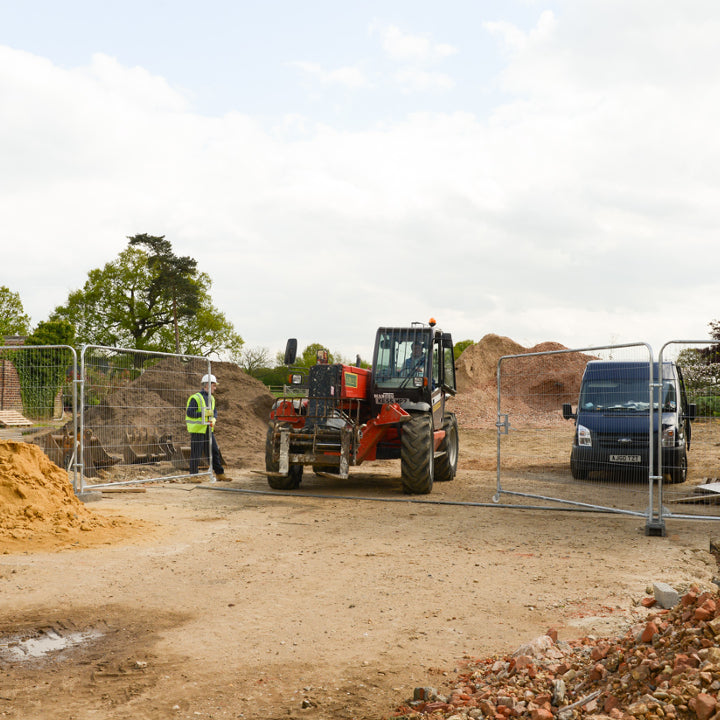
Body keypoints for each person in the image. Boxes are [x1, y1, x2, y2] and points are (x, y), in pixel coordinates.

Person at [185, 373, 228, 480]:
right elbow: (190, 413)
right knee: (196, 453)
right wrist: (204, 414)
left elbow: (214, 412)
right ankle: (193, 476)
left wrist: (214, 418)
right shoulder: (196, 398)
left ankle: (219, 474)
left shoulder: (212, 398)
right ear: (207, 385)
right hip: (198, 430)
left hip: (208, 429)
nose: (215, 387)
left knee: (214, 451)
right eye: (214, 385)